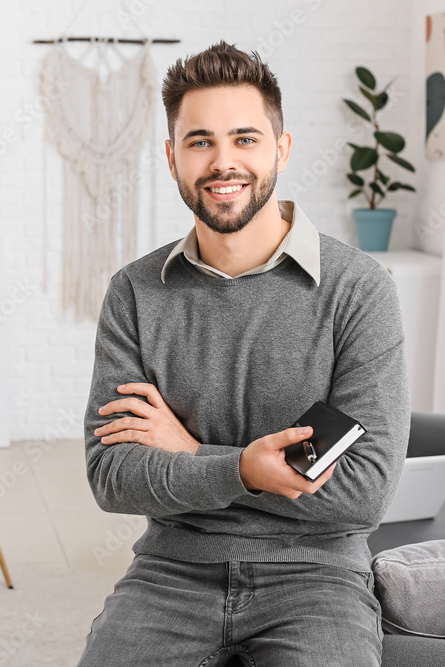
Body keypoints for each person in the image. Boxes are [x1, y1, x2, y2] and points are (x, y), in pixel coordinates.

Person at [78, 41, 410, 667]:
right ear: (172, 157)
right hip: (171, 572)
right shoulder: (134, 293)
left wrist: (189, 453)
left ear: (280, 149)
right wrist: (246, 469)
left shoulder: (358, 290)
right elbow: (112, 477)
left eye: (246, 139)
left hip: (318, 580)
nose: (223, 162)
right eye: (200, 141)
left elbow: (362, 492)